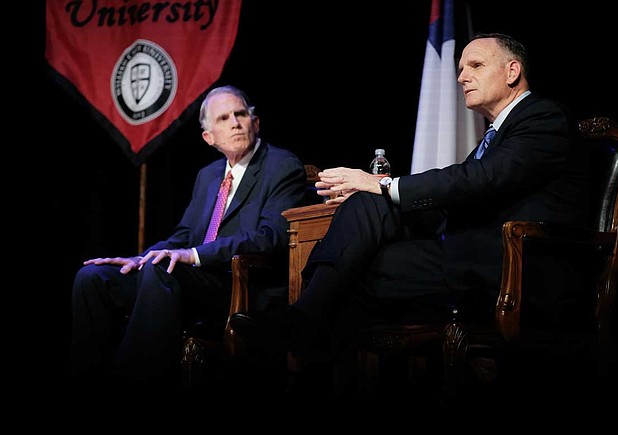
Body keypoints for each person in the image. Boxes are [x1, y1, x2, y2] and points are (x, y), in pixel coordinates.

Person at [229, 34, 589, 369]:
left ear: (512, 71)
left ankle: (304, 336)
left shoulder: (544, 118)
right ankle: (304, 323)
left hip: (514, 265)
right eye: (460, 68)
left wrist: (384, 183)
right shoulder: (496, 135)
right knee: (366, 209)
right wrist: (374, 194)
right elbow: (458, 198)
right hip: (466, 253)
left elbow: (480, 180)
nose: (462, 76)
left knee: (352, 272)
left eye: (475, 66)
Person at [70, 85, 307, 390]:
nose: (235, 122)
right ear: (209, 138)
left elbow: (269, 237)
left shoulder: (281, 166)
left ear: (255, 122)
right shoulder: (208, 175)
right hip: (190, 278)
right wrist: (141, 258)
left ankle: (132, 383)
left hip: (237, 283)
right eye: (223, 118)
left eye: (240, 114)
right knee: (93, 278)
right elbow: (184, 235)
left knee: (162, 269)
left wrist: (194, 255)